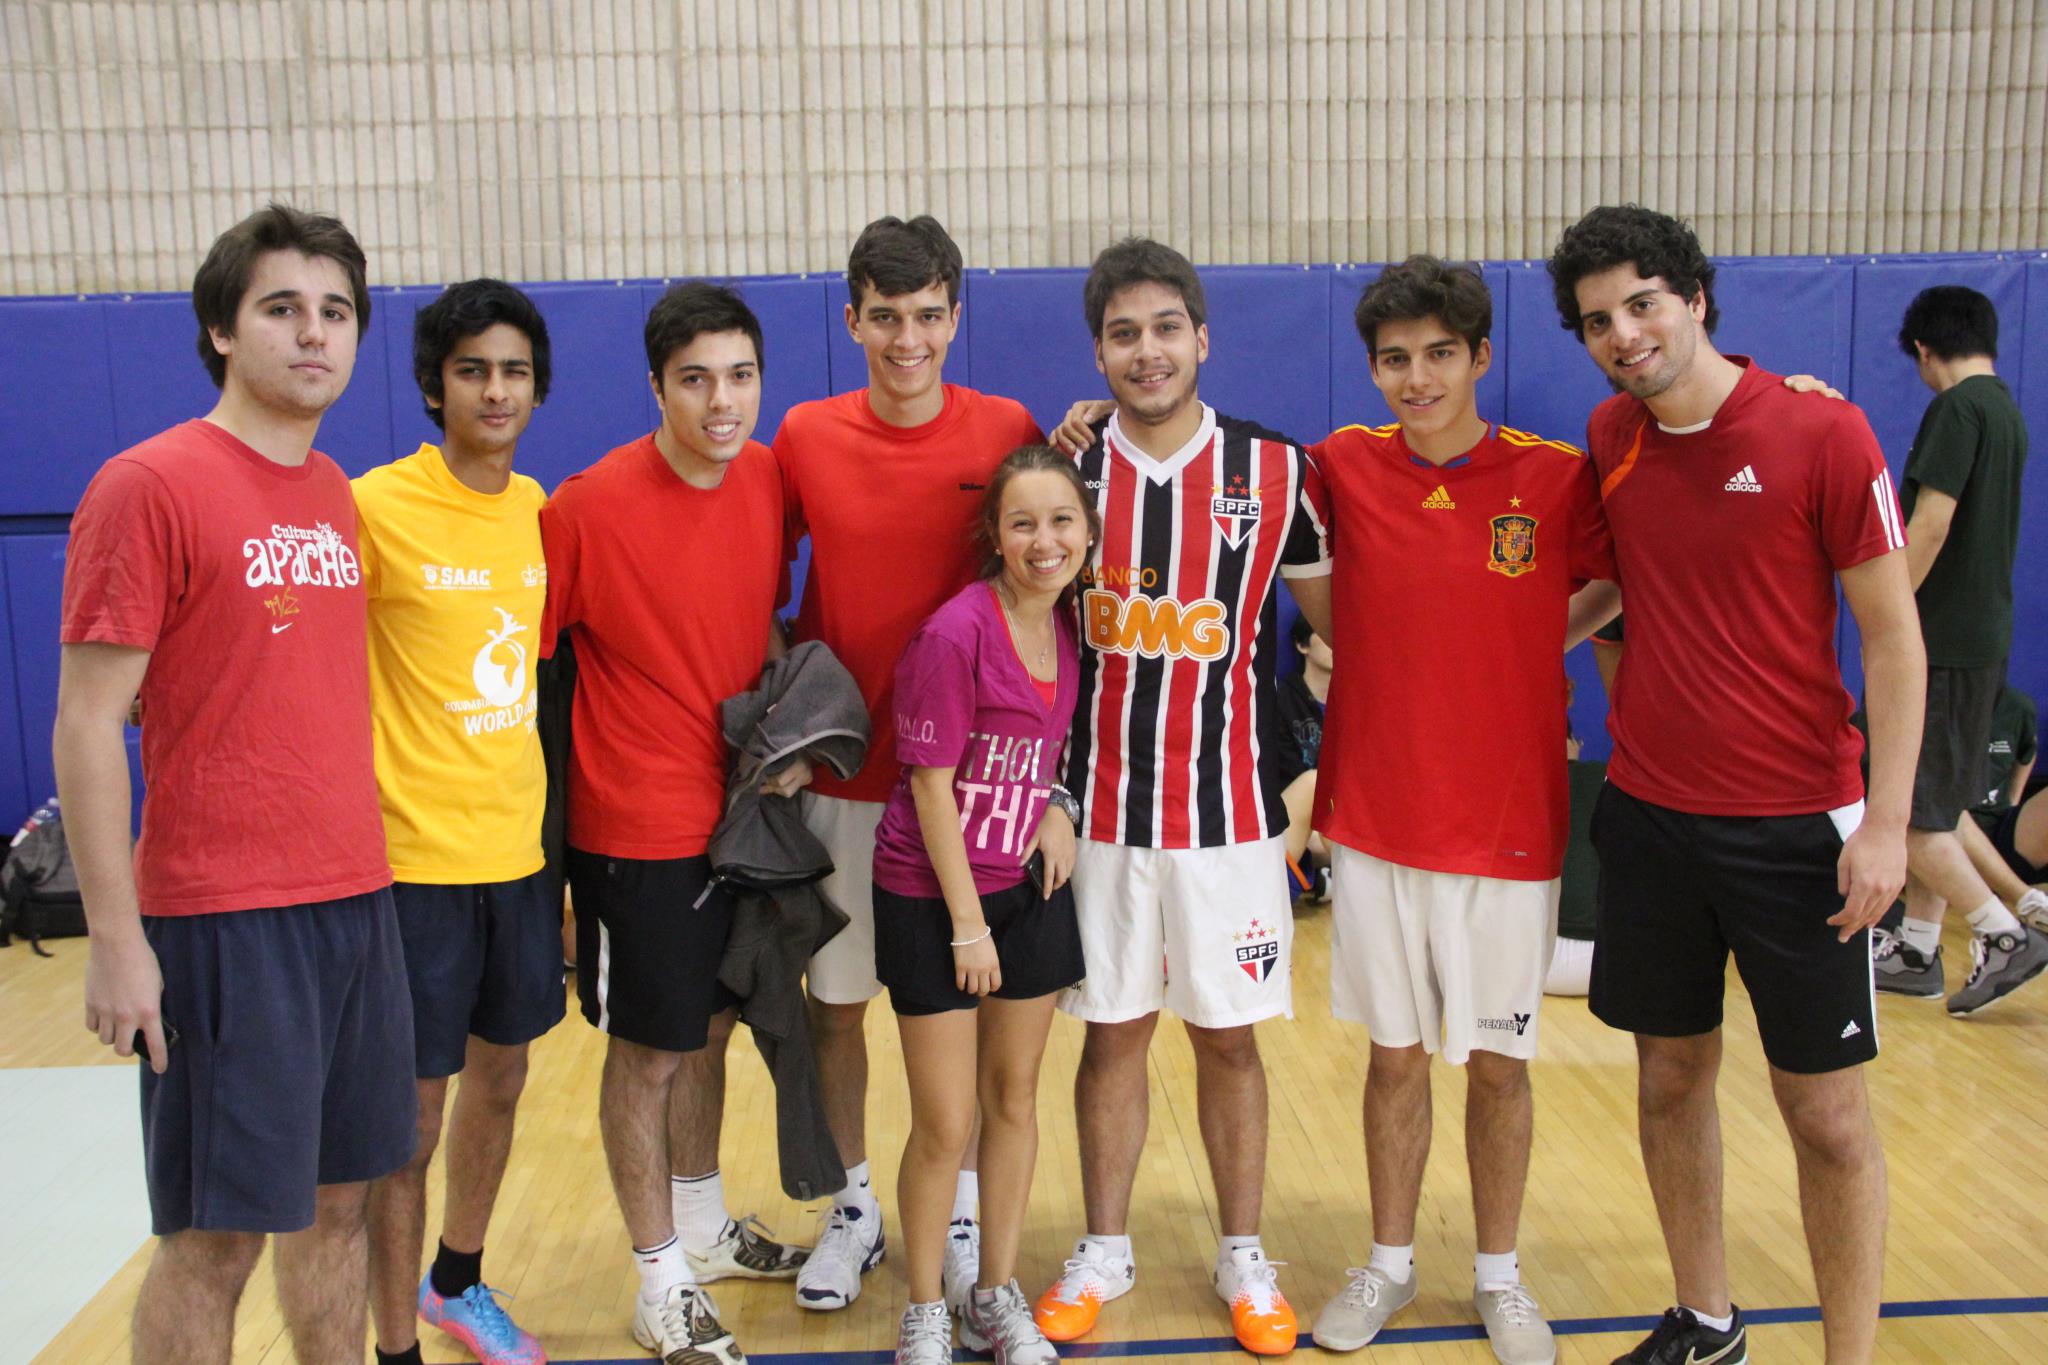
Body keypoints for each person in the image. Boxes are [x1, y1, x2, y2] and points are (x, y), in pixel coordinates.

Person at [1548, 204, 1923, 1365]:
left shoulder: (1823, 431)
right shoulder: (1611, 434)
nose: (1622, 334)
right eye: (1596, 321)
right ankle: (1705, 1323)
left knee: (1824, 1114)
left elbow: (1891, 640)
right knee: (1668, 1081)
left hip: (1797, 830)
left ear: (1694, 298)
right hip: (1652, 821)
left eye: (1641, 304)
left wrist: (1886, 828)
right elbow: (1612, 594)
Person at [54, 203, 415, 1362]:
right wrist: (116, 940)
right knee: (215, 1239)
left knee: (342, 1205)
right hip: (223, 920)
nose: (314, 333)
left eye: (336, 312)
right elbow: (87, 722)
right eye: (282, 308)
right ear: (220, 328)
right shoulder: (148, 484)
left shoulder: (332, 492)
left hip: (354, 903)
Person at [1303, 256, 1618, 1365]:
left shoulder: (1556, 476)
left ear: (1481, 356)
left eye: (1440, 354)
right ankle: (1389, 1264)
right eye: (1394, 359)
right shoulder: (1339, 464)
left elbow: (1624, 572)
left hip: (1507, 823)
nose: (1417, 378)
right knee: (1393, 1058)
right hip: (1377, 814)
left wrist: (1539, 636)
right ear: (1371, 368)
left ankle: (1498, 1276)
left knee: (1498, 1063)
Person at [1032, 238, 1332, 1357]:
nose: (1146, 352)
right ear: (1097, 352)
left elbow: (1345, 630)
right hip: (1101, 819)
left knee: (1229, 1043)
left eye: (1166, 329)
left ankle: (1243, 1254)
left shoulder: (1280, 472)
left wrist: (1326, 784)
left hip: (1231, 822)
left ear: (1202, 338)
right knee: (1110, 1039)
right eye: (1123, 334)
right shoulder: (1064, 475)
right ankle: (1103, 1248)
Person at [773, 215, 1042, 1314]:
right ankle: (851, 1209)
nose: (906, 339)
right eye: (884, 317)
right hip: (846, 785)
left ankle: (962, 1207)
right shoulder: (803, 436)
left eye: (928, 315)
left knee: (963, 1022)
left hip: (970, 796)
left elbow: (1045, 582)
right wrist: (779, 736)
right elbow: (753, 581)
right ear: (851, 320)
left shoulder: (1007, 428)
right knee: (837, 1009)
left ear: (955, 316)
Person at [541, 282, 809, 1365]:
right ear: (656, 385)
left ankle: (701, 1226)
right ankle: (659, 1282)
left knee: (712, 1028)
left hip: (739, 818)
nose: (721, 401)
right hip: (635, 830)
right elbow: (527, 669)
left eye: (740, 376)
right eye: (695, 380)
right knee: (650, 1052)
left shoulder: (766, 478)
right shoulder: (584, 507)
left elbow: (754, 622)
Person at [357, 280, 561, 1365]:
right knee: (412, 1119)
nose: (495, 389)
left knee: (505, 1078)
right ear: (435, 386)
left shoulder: (539, 510)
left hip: (515, 856)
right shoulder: (373, 506)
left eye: (513, 370)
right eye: (472, 369)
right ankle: (393, 1343)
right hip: (409, 865)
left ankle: (455, 1281)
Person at [874, 446, 1094, 1365]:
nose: (1045, 541)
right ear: (995, 536)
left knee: (1014, 1098)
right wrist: (967, 924)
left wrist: (1059, 804)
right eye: (1023, 523)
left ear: (1087, 531)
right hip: (935, 896)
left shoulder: (1070, 625)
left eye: (1062, 521)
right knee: (945, 1123)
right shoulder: (955, 633)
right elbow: (931, 786)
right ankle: (926, 1308)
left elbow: (1051, 747)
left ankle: (995, 1296)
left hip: (1028, 889)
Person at [1872, 285, 2040, 1013]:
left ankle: (2002, 933)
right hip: (1982, 636)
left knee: (1909, 811)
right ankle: (1917, 947)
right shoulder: (2005, 410)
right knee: (1936, 805)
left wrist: (1888, 612)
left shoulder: (1957, 408)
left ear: (1923, 349)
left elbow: (1931, 523)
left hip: (1938, 638)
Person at [1276, 617, 1331, 902]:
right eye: (1326, 633)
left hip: (1343, 823)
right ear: (1302, 645)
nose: (1337, 642)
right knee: (1313, 782)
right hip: (1298, 822)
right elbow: (1283, 776)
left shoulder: (1361, 702)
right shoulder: (1280, 701)